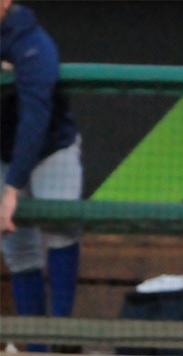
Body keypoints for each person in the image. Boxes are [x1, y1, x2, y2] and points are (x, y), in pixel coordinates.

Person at [1, 1, 83, 352]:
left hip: (52, 148)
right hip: (2, 152)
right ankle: (36, 347)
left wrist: (12, 187)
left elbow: (34, 119)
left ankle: (61, 338)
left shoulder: (32, 40)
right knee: (18, 248)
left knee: (60, 230)